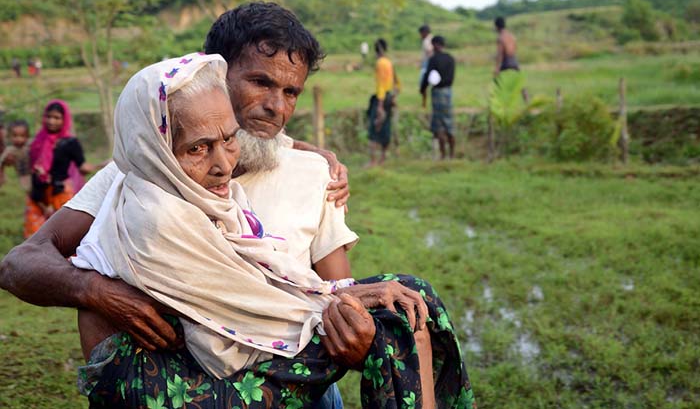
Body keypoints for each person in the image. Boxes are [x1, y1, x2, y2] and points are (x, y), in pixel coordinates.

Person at [1, 2, 355, 409]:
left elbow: (340, 294)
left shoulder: (314, 174)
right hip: (173, 390)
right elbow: (18, 265)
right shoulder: (138, 175)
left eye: (291, 91)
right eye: (260, 82)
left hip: (294, 389)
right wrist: (94, 290)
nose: (277, 107)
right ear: (211, 75)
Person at [72, 52, 473, 409]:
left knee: (415, 296)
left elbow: (270, 274)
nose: (222, 164)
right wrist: (346, 301)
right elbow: (252, 304)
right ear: (155, 147)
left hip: (240, 345)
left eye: (228, 140)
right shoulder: (157, 213)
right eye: (197, 148)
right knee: (397, 329)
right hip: (179, 380)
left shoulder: (213, 192)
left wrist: (346, 295)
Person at [24, 100, 99, 237]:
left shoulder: (70, 143)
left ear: (64, 120)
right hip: (38, 195)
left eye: (57, 118)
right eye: (48, 116)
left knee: (64, 236)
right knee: (35, 237)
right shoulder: (37, 141)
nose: (51, 121)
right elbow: (31, 167)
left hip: (60, 194)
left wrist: (103, 165)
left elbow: (82, 167)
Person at [420, 36, 456, 160]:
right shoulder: (450, 59)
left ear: (435, 45)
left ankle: (443, 154)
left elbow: (427, 77)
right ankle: (452, 154)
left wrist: (422, 90)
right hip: (448, 92)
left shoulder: (433, 60)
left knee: (439, 125)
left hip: (437, 93)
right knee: (449, 123)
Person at [367, 38, 400, 166]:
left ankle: (373, 161)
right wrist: (393, 97)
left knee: (375, 128)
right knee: (385, 128)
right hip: (389, 97)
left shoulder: (380, 63)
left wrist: (380, 106)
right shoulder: (389, 62)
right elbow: (398, 84)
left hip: (381, 99)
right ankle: (383, 158)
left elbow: (381, 85)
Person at [0, 120, 32, 192]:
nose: (18, 139)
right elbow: (2, 160)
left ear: (27, 136)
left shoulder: (30, 145)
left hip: (34, 173)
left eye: (22, 136)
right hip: (22, 175)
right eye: (15, 136)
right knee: (28, 190)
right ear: (10, 136)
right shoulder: (10, 149)